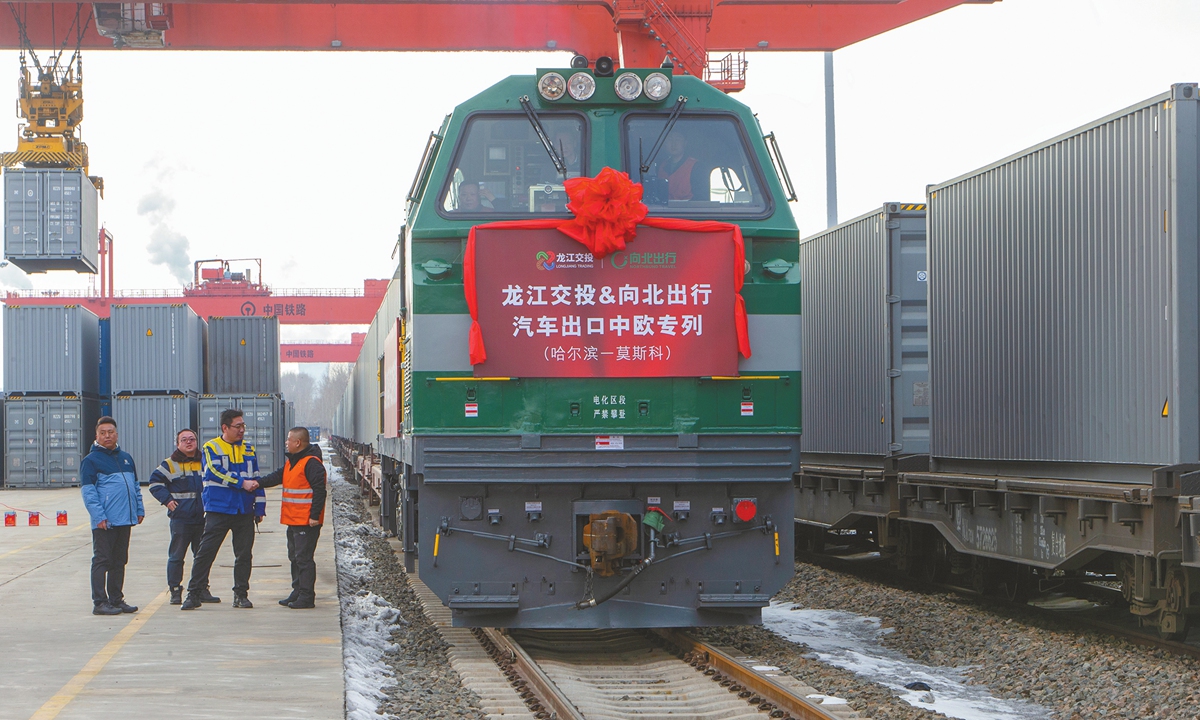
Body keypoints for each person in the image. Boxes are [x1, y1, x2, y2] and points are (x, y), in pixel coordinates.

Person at [180, 409, 266, 611]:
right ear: (225, 427)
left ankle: (241, 594)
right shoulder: (211, 447)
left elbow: (256, 477)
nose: (242, 430)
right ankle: (194, 593)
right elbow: (215, 472)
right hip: (219, 509)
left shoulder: (248, 449)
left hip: (243, 510)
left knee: (244, 555)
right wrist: (241, 483)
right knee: (206, 552)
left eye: (243, 426)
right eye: (238, 426)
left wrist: (259, 506)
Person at [148, 428, 220, 606]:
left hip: (203, 518)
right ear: (177, 444)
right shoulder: (170, 464)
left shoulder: (205, 461)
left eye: (192, 439)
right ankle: (175, 590)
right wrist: (167, 500)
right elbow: (155, 483)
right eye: (184, 440)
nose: (189, 442)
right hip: (181, 519)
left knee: (202, 557)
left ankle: (201, 589)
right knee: (176, 556)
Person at [257, 427, 328, 609]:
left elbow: (320, 491)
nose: (286, 442)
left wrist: (314, 516)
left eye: (289, 439)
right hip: (294, 520)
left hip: (307, 522)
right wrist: (257, 483)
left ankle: (306, 596)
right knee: (294, 557)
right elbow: (276, 477)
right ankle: (297, 591)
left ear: (298, 442)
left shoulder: (311, 463)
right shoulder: (293, 462)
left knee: (304, 559)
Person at [80, 416, 144, 616]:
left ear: (116, 434)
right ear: (96, 435)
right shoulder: (90, 461)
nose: (107, 436)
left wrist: (139, 509)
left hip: (125, 519)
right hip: (105, 522)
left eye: (110, 432)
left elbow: (135, 486)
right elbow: (89, 493)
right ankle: (100, 602)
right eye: (103, 433)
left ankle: (116, 599)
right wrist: (99, 516)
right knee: (102, 560)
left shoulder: (126, 458)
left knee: (119, 561)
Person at [656, 132, 705, 201]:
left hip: (688, 207)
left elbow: (700, 197)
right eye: (670, 139)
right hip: (664, 207)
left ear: (685, 143)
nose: (673, 144)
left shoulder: (695, 166)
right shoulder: (661, 166)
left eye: (678, 139)